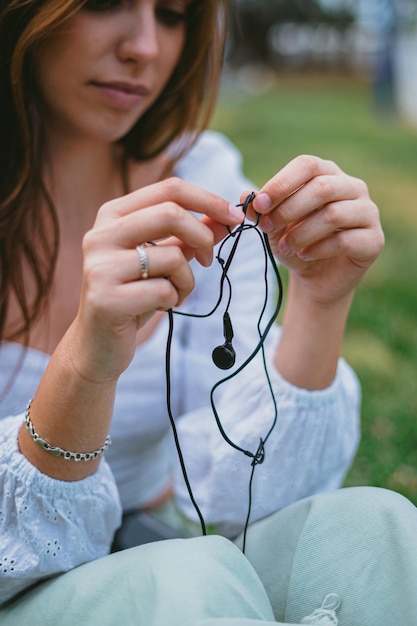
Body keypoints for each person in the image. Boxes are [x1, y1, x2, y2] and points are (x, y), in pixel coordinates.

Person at [3, 1, 415, 625]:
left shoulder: (203, 176)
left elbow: (255, 503)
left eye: (171, 14)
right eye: (104, 2)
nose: (145, 46)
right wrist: (85, 367)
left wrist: (320, 302)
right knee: (188, 582)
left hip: (152, 560)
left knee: (372, 528)